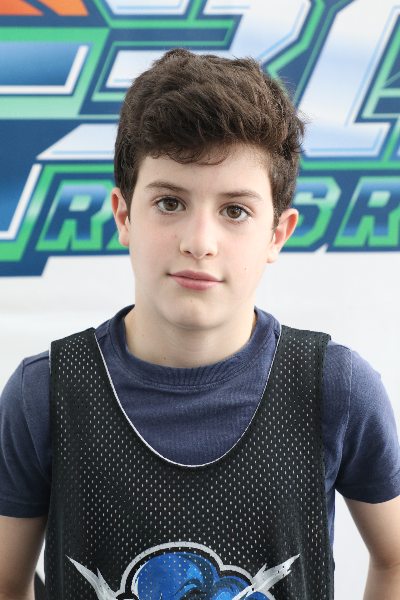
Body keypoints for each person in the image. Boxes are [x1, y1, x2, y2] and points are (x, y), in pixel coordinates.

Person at [0, 48, 400, 600]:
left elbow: (394, 559)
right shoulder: (44, 394)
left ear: (277, 234)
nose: (199, 242)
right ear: (124, 214)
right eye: (169, 203)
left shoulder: (335, 388)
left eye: (235, 211)